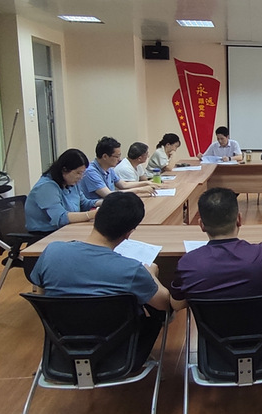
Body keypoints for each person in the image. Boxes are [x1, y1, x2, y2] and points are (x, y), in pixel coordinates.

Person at [29, 192, 170, 369]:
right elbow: (164, 304)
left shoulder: (52, 251)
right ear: (129, 233)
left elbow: (40, 292)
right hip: (120, 352)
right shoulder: (131, 270)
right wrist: (151, 274)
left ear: (96, 216)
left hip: (63, 347)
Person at [170, 187, 262, 311]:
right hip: (258, 323)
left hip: (208, 324)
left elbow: (177, 305)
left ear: (201, 225)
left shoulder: (188, 262)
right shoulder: (260, 254)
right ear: (239, 219)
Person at [25, 148, 102, 233]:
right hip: (47, 234)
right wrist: (91, 215)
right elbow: (61, 218)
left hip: (68, 229)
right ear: (64, 170)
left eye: (83, 173)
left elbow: (84, 203)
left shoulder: (71, 183)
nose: (81, 177)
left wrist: (104, 202)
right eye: (78, 173)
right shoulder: (46, 187)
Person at [79, 136, 157, 199]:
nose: (119, 159)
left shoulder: (109, 169)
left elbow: (123, 185)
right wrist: (140, 190)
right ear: (105, 156)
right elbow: (108, 195)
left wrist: (147, 183)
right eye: (117, 156)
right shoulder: (91, 171)